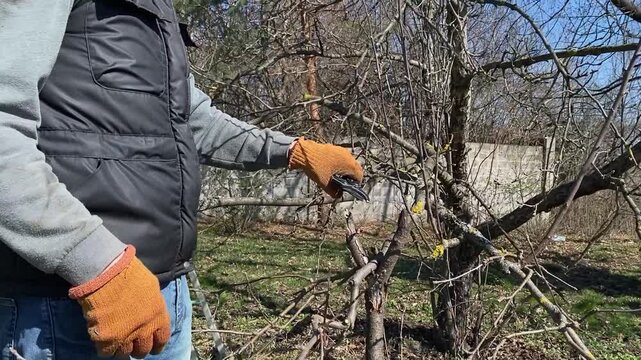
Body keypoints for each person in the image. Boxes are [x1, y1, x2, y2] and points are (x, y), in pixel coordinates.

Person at [0, 1, 364, 359]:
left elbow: (194, 120)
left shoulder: (157, 9)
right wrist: (98, 265)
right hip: (71, 309)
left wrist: (294, 152)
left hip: (164, 294)